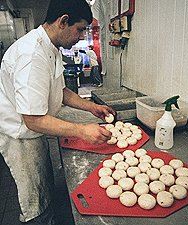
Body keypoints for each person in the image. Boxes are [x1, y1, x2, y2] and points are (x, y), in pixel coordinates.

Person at [0, 0, 115, 224]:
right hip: (20, 136)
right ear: (63, 21)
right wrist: (82, 131)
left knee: (44, 186)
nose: (82, 36)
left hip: (34, 129)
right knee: (35, 199)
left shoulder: (50, 47)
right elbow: (33, 119)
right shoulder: (32, 55)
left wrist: (92, 107)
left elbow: (59, 90)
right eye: (80, 29)